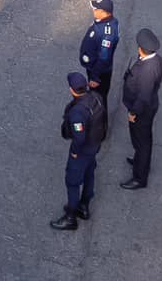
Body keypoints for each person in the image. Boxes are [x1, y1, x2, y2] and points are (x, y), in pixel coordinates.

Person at [52, 72, 104, 230]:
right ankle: (84, 206)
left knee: (72, 182)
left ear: (72, 90)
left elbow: (79, 137)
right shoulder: (96, 97)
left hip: (83, 150)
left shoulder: (77, 112)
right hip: (94, 145)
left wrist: (75, 152)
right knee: (89, 174)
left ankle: (71, 217)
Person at [121, 28, 162, 189]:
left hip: (141, 111)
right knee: (142, 141)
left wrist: (133, 113)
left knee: (142, 141)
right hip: (147, 107)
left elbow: (144, 96)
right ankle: (140, 161)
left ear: (141, 49)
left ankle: (140, 177)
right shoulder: (157, 60)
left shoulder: (147, 70)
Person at [80, 0, 119, 103]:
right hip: (93, 66)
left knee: (98, 99)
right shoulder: (101, 21)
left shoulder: (107, 33)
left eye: (96, 9)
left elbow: (104, 57)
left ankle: (100, 119)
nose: (93, 10)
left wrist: (95, 77)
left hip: (99, 71)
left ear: (104, 12)